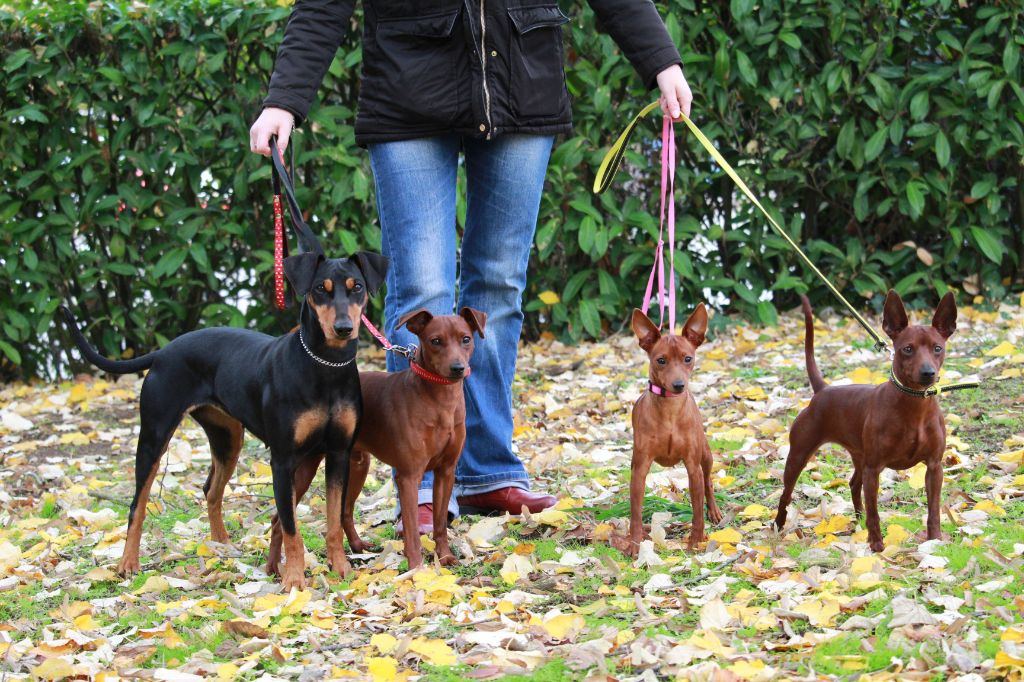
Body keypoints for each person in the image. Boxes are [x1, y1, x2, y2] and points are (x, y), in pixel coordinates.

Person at [250, 1, 693, 533]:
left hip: (521, 83)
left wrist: (661, 60)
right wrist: (286, 99)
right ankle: (420, 483)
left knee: (499, 289)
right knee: (420, 289)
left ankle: (486, 471)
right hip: (407, 91)